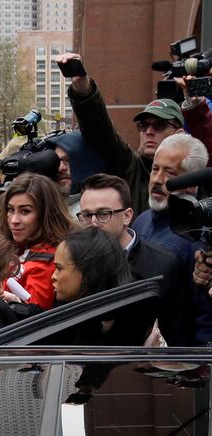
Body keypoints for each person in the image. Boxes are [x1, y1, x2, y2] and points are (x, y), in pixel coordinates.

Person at [59, 52, 186, 215]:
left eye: (160, 125)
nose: (148, 131)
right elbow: (100, 131)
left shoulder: (194, 175)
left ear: (179, 133)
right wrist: (83, 90)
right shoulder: (129, 167)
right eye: (143, 125)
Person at [78, 173, 192, 345]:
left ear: (127, 216)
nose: (93, 222)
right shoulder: (74, 262)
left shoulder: (164, 265)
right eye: (86, 215)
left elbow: (177, 335)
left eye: (103, 214)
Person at [130, 133, 212, 345]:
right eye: (155, 169)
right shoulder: (142, 221)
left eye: (170, 173)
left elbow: (205, 320)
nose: (157, 180)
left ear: (192, 184)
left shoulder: (200, 237)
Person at [51, 228, 159, 346]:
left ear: (88, 273)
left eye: (59, 268)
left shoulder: (134, 318)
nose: (53, 276)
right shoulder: (68, 310)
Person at [0, 173, 75, 310]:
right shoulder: (11, 248)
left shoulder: (50, 260)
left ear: (45, 214)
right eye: (10, 210)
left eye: (25, 211)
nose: (14, 220)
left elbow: (34, 319)